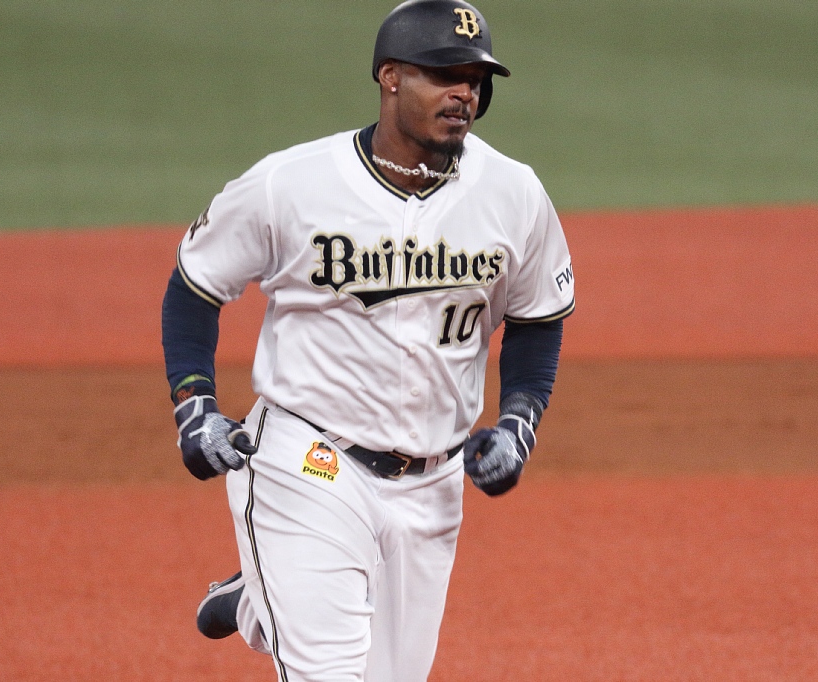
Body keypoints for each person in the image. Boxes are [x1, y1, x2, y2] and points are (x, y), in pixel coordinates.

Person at [160, 1, 575, 679]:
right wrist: (195, 406)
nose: (463, 94)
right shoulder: (290, 185)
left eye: (474, 79)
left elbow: (537, 317)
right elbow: (195, 285)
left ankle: (263, 599)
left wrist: (518, 423)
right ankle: (284, 572)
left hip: (434, 483)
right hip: (308, 462)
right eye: (444, 74)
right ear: (390, 77)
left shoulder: (513, 193)